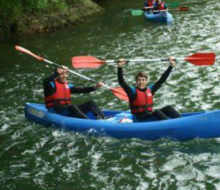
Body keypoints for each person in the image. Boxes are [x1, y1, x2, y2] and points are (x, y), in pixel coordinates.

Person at [117, 57, 181, 122]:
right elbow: (122, 82)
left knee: (168, 108)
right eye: (139, 80)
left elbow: (162, 79)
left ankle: (180, 121)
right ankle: (170, 125)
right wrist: (120, 67)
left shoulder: (150, 89)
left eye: (143, 80)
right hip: (139, 119)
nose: (141, 82)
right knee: (156, 111)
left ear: (146, 81)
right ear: (136, 82)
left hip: (149, 115)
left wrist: (171, 66)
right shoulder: (132, 92)